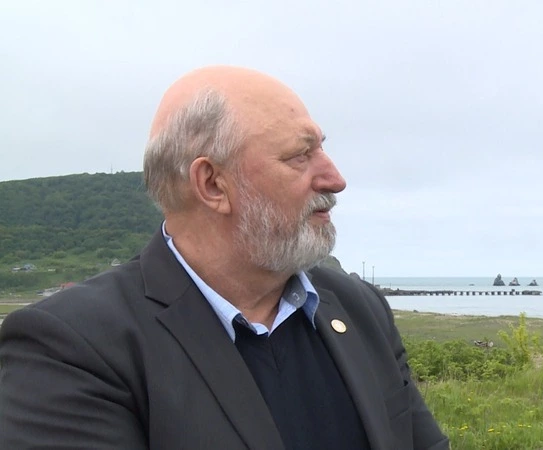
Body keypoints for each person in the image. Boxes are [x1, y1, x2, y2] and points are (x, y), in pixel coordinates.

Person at [0, 65, 450, 450]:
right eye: (300, 156)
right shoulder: (72, 348)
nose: (335, 178)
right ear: (213, 185)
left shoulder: (359, 307)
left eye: (322, 149)